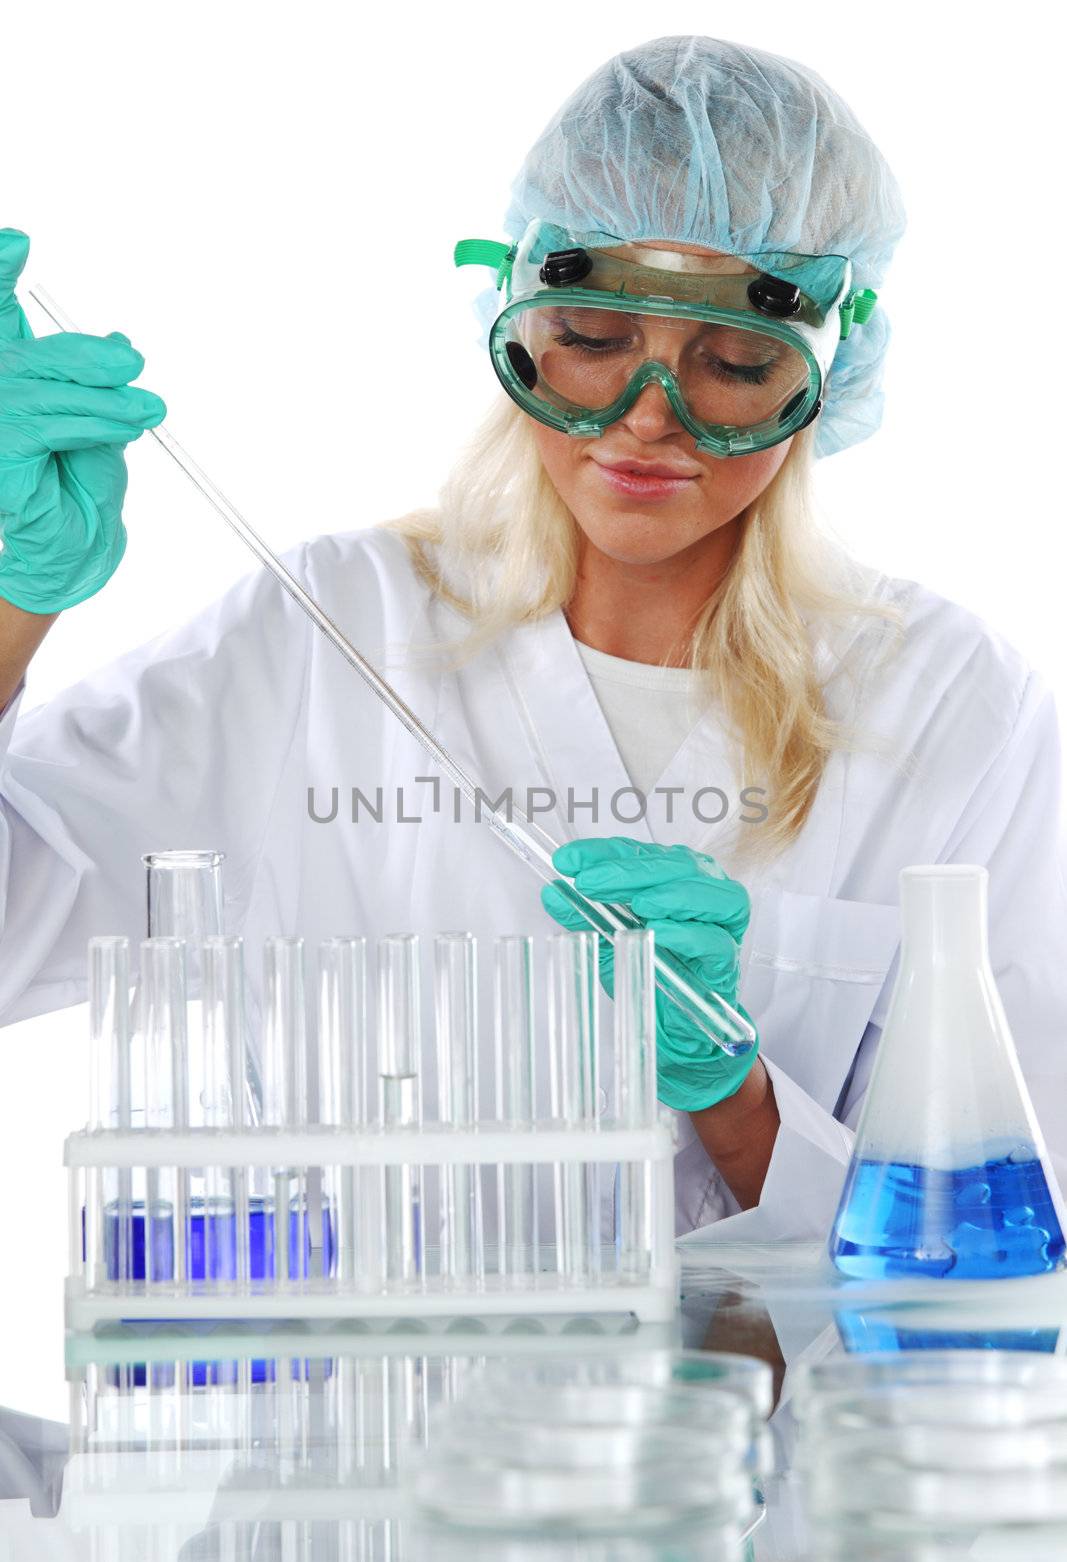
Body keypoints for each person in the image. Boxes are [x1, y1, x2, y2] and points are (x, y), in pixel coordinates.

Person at [1, 36, 1064, 1245]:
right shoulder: (330, 629)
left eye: (731, 362)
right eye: (593, 341)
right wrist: (11, 601)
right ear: (510, 323)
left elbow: (999, 1240)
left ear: (827, 368)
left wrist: (733, 1093)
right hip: (360, 1417)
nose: (647, 420)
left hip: (750, 1421)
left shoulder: (953, 705)